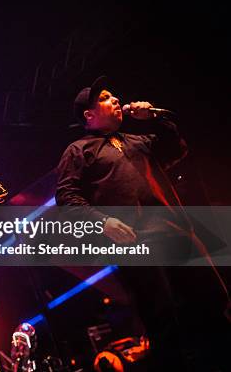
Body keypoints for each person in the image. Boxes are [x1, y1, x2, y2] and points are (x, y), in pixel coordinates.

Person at [55, 76, 229, 371]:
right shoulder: (79, 150)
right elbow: (66, 196)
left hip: (177, 232)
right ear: (89, 114)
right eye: (106, 98)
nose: (116, 101)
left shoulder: (139, 141)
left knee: (213, 298)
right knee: (163, 317)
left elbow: (176, 148)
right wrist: (102, 222)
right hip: (136, 243)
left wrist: (155, 119)